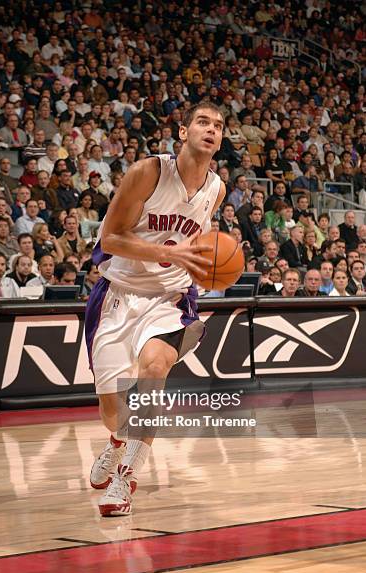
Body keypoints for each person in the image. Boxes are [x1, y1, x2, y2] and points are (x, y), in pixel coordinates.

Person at [85, 102, 225, 517]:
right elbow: (109, 239)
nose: (211, 129)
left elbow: (195, 245)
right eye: (203, 122)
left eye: (218, 125)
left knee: (155, 369)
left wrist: (201, 261)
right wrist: (175, 252)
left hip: (170, 299)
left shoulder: (216, 188)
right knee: (113, 410)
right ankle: (116, 442)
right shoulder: (147, 173)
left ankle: (125, 479)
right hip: (118, 294)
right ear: (183, 132)